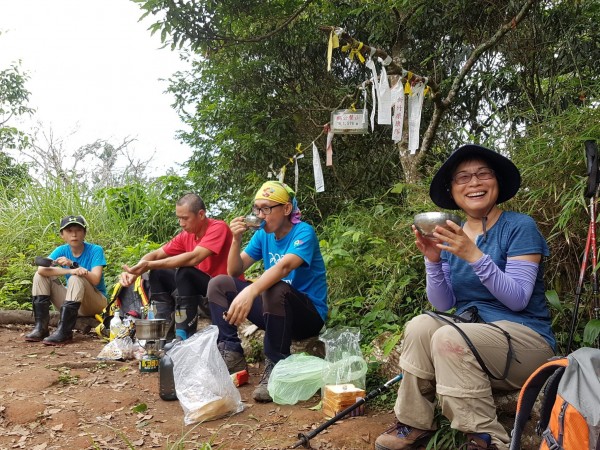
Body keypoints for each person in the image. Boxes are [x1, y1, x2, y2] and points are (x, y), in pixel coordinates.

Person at [375, 144, 556, 450]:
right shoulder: (451, 233)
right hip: (473, 334)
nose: (474, 183)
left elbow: (518, 299)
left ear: (496, 182)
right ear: (453, 190)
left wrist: (474, 255)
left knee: (448, 337)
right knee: (420, 326)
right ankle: (414, 423)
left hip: (526, 340)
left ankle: (486, 439)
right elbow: (443, 304)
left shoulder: (519, 227)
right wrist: (433, 260)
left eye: (483, 174)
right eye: (463, 178)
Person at [208, 181, 328, 403]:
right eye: (256, 209)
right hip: (276, 312)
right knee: (219, 284)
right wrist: (236, 240)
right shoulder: (263, 235)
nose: (260, 214)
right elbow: (234, 271)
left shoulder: (304, 232)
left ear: (286, 209)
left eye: (266, 208)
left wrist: (252, 291)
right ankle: (231, 352)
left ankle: (276, 365)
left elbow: (284, 267)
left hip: (307, 317)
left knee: (276, 287)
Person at [120, 193, 233, 340]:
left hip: (219, 294)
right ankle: (161, 335)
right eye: (179, 218)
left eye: (185, 218)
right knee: (158, 272)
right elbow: (155, 255)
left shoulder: (218, 227)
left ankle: (184, 337)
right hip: (196, 293)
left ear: (201, 214)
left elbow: (194, 257)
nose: (181, 223)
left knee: (185, 272)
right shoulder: (186, 235)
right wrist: (135, 270)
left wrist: (148, 265)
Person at [25, 215, 107, 345]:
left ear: (84, 233)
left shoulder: (95, 250)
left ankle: (65, 332)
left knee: (76, 278)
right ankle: (41, 328)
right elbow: (41, 269)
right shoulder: (61, 250)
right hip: (73, 302)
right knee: (40, 276)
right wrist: (69, 271)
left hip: (95, 303)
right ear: (62, 235)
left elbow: (96, 280)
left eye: (78, 230)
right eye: (69, 231)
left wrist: (73, 265)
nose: (74, 234)